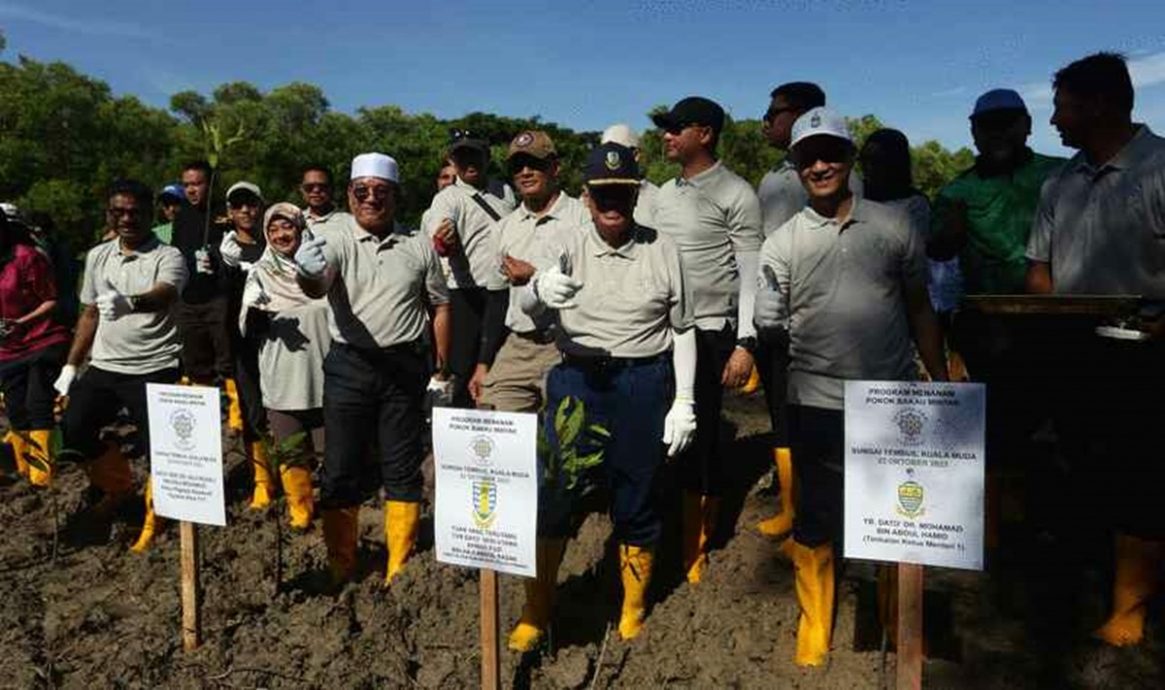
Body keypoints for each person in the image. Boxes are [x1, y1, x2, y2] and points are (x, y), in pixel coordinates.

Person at [754, 108, 947, 666]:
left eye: (831, 153)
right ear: (794, 166)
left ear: (850, 159)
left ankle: (895, 617)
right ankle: (815, 622)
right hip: (814, 399)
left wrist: (936, 374)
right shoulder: (782, 243)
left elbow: (919, 307)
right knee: (815, 518)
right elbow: (771, 324)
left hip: (891, 401)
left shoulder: (894, 226)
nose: (820, 165)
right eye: (808, 156)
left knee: (897, 518)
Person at [507, 142, 696, 651]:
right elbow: (528, 305)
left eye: (622, 192)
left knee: (638, 491)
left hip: (643, 382)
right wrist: (539, 290)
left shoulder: (663, 248)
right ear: (586, 197)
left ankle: (632, 608)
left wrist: (686, 402)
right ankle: (537, 606)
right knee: (554, 496)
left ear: (635, 196)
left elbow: (682, 328)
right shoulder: (565, 241)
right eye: (601, 193)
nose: (611, 202)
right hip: (578, 382)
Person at [1024, 52, 1165, 648]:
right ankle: (1085, 582)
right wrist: (1047, 325)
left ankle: (1131, 605)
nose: (1053, 120)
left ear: (1099, 104)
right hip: (1073, 353)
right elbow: (1040, 272)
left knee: (1142, 477)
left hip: (1149, 354)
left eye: (1061, 107)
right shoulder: (1061, 182)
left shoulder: (1159, 171)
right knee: (1079, 467)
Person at [295, 152, 451, 586]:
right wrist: (305, 273)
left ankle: (399, 567)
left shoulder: (416, 244)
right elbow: (317, 283)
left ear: (395, 196)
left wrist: (440, 370)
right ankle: (341, 562)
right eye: (361, 191)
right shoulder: (335, 240)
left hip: (404, 366)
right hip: (351, 365)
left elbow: (439, 303)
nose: (370, 200)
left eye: (380, 192)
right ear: (349, 195)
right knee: (342, 466)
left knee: (401, 466)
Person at [929, 89, 1064, 550]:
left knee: (1055, 427)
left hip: (1057, 324)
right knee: (994, 430)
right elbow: (938, 259)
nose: (999, 131)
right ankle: (995, 530)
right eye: (988, 124)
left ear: (1028, 124)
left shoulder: (1060, 175)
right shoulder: (956, 191)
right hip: (987, 327)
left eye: (1008, 121)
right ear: (973, 131)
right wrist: (946, 236)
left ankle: (1052, 524)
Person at [651, 96, 763, 583]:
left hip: (710, 333)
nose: (666, 136)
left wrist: (746, 342)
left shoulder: (735, 193)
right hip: (658, 333)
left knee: (702, 441)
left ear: (707, 134)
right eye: (665, 128)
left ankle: (696, 549)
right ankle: (662, 533)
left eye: (677, 128)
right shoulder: (662, 194)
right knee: (662, 435)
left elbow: (751, 273)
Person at [754, 82, 862, 541]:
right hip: (784, 319)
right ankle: (794, 507)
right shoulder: (772, 180)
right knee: (787, 418)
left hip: (844, 328)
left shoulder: (850, 181)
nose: (766, 120)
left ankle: (844, 521)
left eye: (774, 112)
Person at [53, 180, 186, 545]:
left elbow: (165, 294)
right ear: (109, 214)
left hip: (154, 365)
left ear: (149, 214)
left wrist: (131, 302)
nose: (127, 218)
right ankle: (119, 485)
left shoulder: (168, 256)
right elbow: (90, 315)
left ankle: (155, 518)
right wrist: (70, 367)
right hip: (105, 365)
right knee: (74, 429)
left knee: (160, 449)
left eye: (135, 212)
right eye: (119, 212)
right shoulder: (98, 255)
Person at [469, 130, 590, 411]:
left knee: (567, 437)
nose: (525, 172)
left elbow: (594, 287)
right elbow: (497, 301)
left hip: (569, 344)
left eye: (534, 164)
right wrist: (484, 362)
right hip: (519, 346)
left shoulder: (583, 219)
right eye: (517, 166)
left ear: (555, 167)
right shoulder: (504, 229)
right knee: (490, 422)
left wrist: (535, 277)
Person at [237, 202, 330, 529]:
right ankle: (301, 513)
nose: (280, 234)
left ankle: (335, 511)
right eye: (273, 229)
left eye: (287, 226)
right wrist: (256, 314)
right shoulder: (259, 273)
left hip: (324, 375)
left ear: (301, 229)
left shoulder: (322, 267)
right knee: (291, 453)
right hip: (281, 377)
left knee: (328, 452)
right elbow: (246, 328)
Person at [422, 131, 516, 407]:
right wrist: (443, 239)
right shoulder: (447, 198)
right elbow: (439, 235)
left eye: (475, 154)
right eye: (462, 156)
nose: (469, 162)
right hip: (466, 295)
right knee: (462, 371)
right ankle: (463, 436)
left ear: (487, 156)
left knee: (499, 369)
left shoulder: (506, 191)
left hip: (504, 292)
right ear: (453, 160)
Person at [0, 211, 70, 486]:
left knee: (38, 404)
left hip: (43, 340)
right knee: (16, 410)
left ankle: (43, 476)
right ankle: (25, 471)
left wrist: (21, 322)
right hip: (8, 349)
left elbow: (51, 300)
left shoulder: (27, 257)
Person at [218, 182, 271, 509]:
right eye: (238, 206)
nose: (246, 211)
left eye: (251, 204)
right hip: (242, 344)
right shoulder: (221, 249)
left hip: (278, 341)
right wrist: (224, 268)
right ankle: (262, 480)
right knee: (252, 411)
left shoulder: (275, 242)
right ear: (229, 212)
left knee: (281, 409)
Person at [601, 123, 659, 226]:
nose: (609, 157)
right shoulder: (591, 196)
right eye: (605, 152)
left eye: (616, 152)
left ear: (636, 155)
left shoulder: (658, 199)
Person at [300, 164, 351, 235]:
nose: (316, 190)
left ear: (332, 189)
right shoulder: (293, 220)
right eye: (309, 187)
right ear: (302, 190)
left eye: (322, 187)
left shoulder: (350, 223)